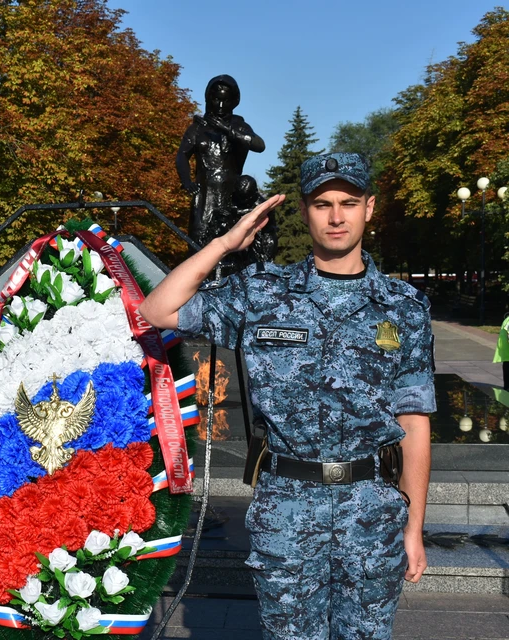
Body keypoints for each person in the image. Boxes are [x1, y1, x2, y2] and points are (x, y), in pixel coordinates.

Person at [140, 152, 434, 639]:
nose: (336, 216)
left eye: (348, 202)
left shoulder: (403, 307)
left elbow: (415, 421)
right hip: (287, 510)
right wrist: (226, 242)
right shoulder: (263, 294)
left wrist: (414, 527)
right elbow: (158, 309)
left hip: (372, 508)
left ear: (369, 208)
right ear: (303, 211)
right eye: (322, 204)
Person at [175, 74, 266, 248]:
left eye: (226, 101)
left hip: (230, 195)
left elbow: (259, 145)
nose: (221, 106)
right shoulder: (197, 128)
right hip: (203, 196)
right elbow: (182, 156)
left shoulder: (239, 126)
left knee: (230, 245)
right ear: (209, 98)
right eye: (216, 100)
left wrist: (226, 129)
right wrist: (186, 181)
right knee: (198, 243)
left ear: (234, 102)